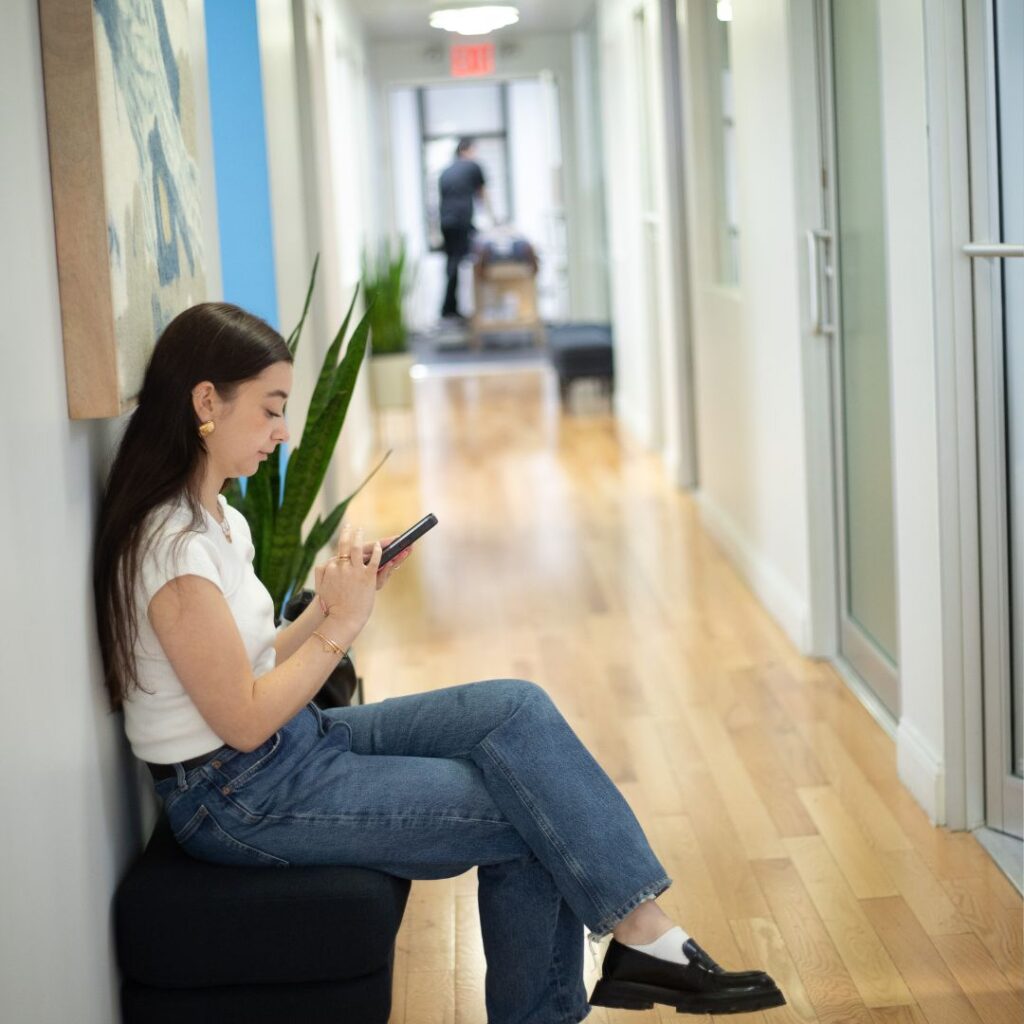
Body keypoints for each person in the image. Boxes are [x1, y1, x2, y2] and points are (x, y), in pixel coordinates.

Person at [93, 302, 786, 1023]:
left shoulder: (218, 518)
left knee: (515, 707)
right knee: (527, 815)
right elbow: (241, 720)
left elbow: (253, 656)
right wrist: (344, 627)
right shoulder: (172, 553)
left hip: (284, 748)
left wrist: (330, 607)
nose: (284, 431)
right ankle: (635, 951)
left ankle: (643, 934)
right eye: (271, 409)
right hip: (238, 792)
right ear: (207, 401)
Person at [438, 136, 489, 321]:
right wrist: (493, 220)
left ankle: (449, 308)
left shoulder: (445, 171)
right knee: (472, 259)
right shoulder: (472, 166)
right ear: (466, 150)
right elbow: (483, 194)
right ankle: (452, 310)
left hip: (446, 222)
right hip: (461, 221)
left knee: (452, 262)